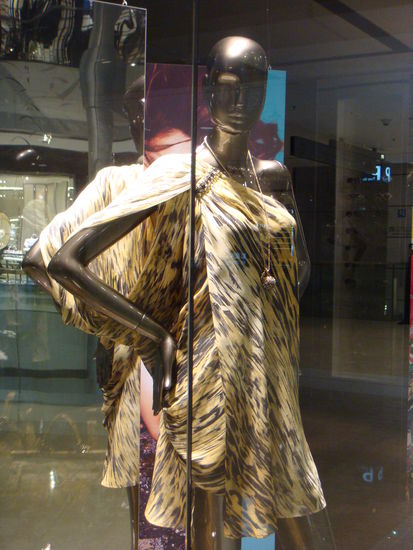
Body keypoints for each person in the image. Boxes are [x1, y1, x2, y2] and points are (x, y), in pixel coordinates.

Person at [31, 37, 336, 549]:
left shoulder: (270, 178)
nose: (239, 103)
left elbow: (298, 267)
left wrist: (265, 320)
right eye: (228, 89)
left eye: (252, 90)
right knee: (210, 509)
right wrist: (153, 335)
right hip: (207, 367)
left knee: (291, 496)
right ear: (209, 92)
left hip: (269, 368)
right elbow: (64, 260)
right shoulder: (183, 174)